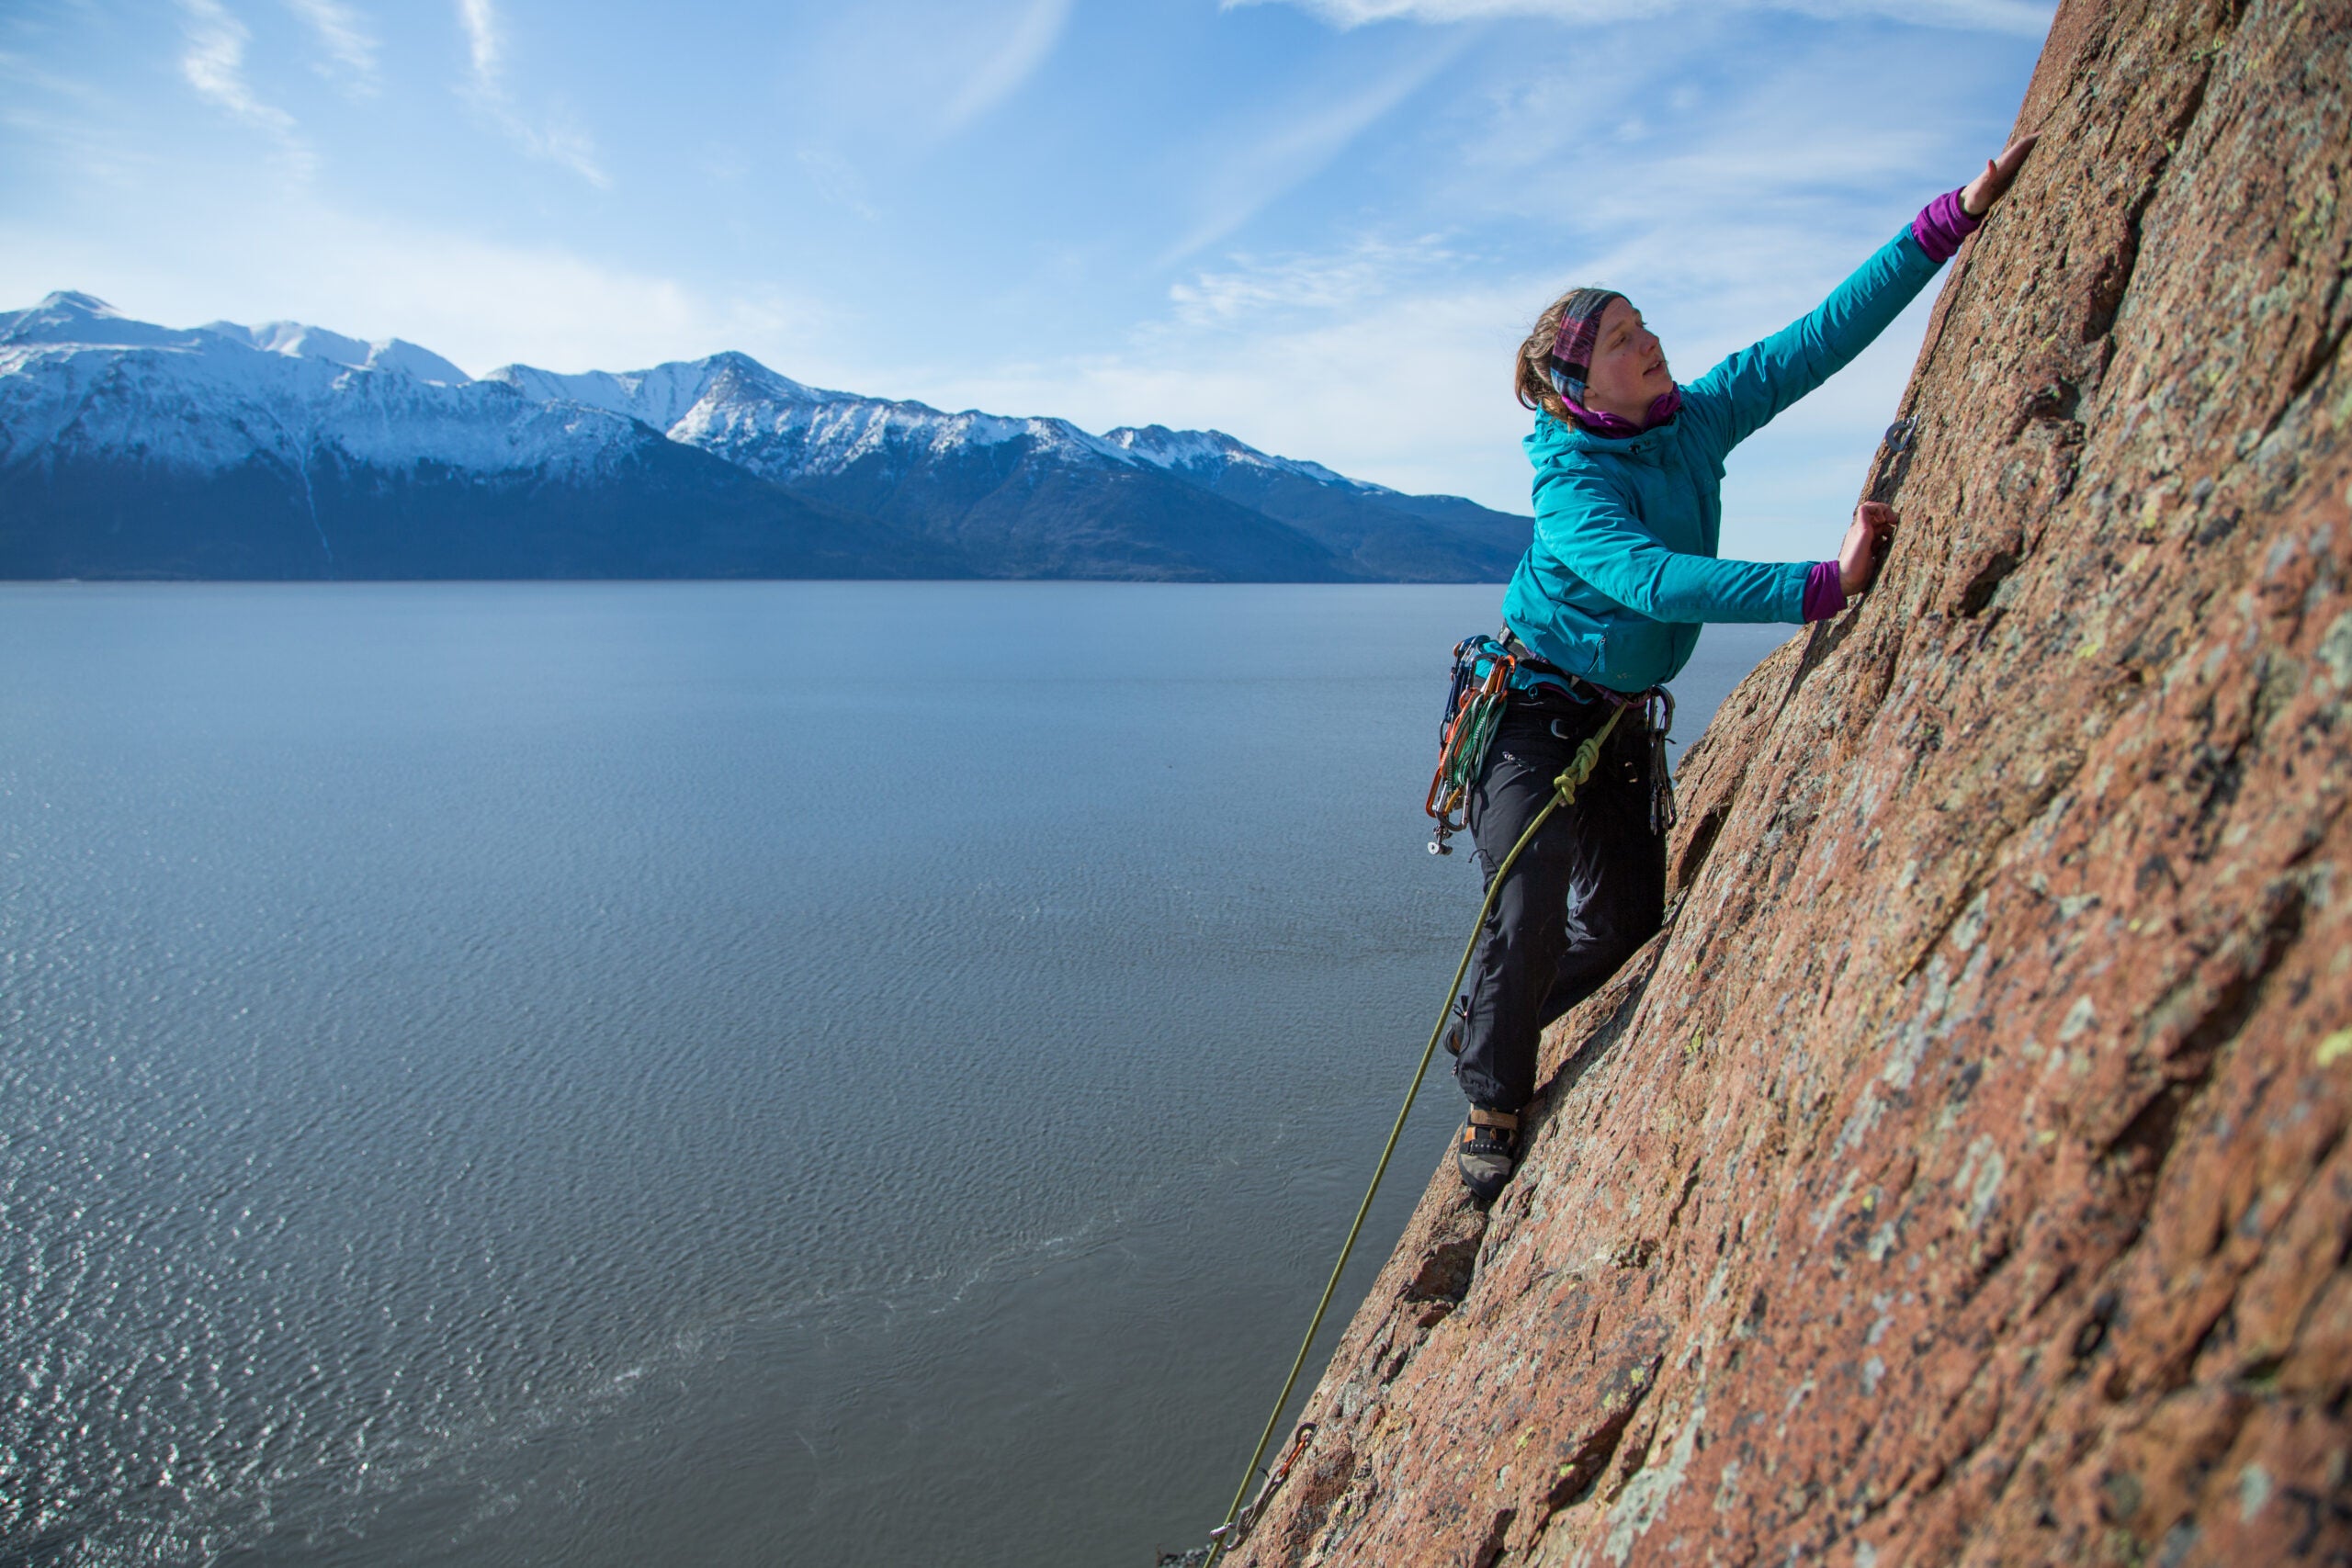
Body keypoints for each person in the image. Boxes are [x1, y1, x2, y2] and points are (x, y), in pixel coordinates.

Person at [1452, 139, 2039, 1201]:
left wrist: (1944, 222)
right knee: (1525, 897)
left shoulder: (1692, 422)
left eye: (1645, 327)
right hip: (1533, 712)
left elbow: (1808, 346)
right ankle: (1494, 1100)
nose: (1651, 344)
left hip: (1614, 717)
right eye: (1624, 341)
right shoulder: (1570, 487)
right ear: (1581, 384)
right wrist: (1822, 585)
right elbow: (1654, 581)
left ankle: (1493, 1019)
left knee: (1626, 929)